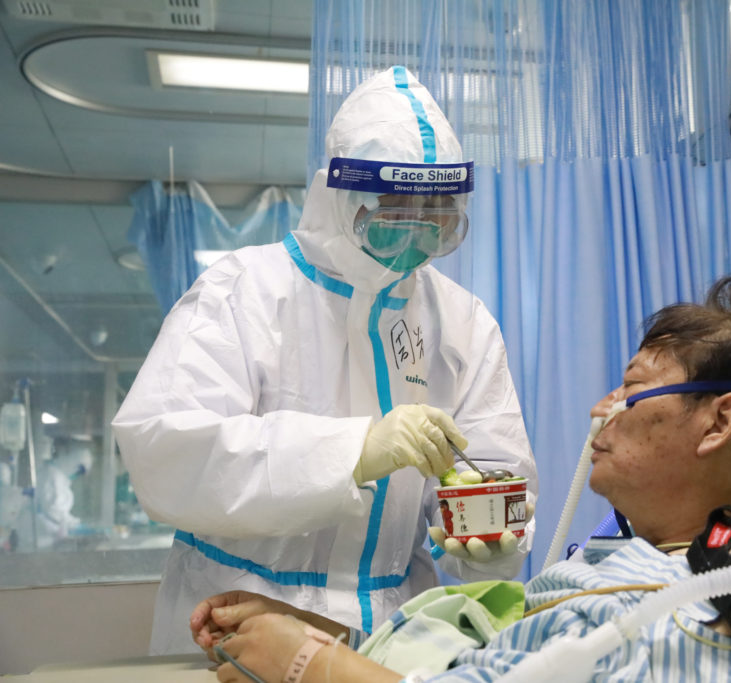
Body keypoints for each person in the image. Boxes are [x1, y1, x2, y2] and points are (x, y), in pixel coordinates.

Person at [193, 275, 731, 683]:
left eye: (632, 387)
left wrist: (310, 663)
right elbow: (477, 659)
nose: (603, 408)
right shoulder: (616, 566)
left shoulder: (726, 601)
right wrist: (323, 634)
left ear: (718, 422)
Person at [111, 65, 538, 655]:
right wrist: (351, 453)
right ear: (341, 198)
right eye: (395, 215)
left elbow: (493, 465)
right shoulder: (242, 291)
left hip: (395, 632)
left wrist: (490, 539)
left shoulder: (462, 321)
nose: (416, 236)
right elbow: (166, 451)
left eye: (437, 217)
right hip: (240, 619)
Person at [14, 437, 93, 551]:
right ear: (73, 461)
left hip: (42, 539)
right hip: (38, 539)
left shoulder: (59, 477)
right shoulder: (54, 477)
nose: (77, 475)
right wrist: (73, 525)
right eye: (79, 470)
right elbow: (53, 511)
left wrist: (72, 523)